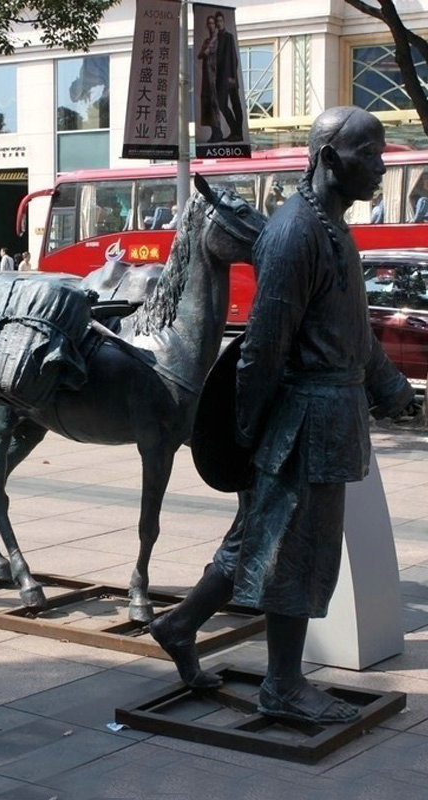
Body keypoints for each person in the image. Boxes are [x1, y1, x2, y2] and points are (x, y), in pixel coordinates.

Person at [150, 106, 420, 724]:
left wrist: (388, 386)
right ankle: (283, 684)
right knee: (297, 552)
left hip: (325, 418)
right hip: (301, 427)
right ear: (329, 158)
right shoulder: (296, 233)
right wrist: (246, 435)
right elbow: (262, 349)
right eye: (370, 154)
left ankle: (181, 625)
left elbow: (352, 331)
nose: (381, 166)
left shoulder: (332, 228)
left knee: (258, 538)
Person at [214, 12, 244, 142]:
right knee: (223, 104)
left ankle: (238, 133)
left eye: (221, 21)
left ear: (224, 22)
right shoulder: (216, 38)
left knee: (235, 104)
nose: (219, 23)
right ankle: (235, 131)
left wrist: (232, 76)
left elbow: (233, 58)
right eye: (217, 21)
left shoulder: (229, 37)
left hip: (230, 78)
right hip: (221, 78)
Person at [198, 15, 222, 143]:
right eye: (209, 23)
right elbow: (200, 55)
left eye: (213, 23)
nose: (211, 26)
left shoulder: (218, 40)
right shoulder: (207, 41)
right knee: (207, 102)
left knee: (214, 103)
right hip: (206, 76)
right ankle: (214, 132)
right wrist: (206, 50)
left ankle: (218, 132)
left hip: (215, 75)